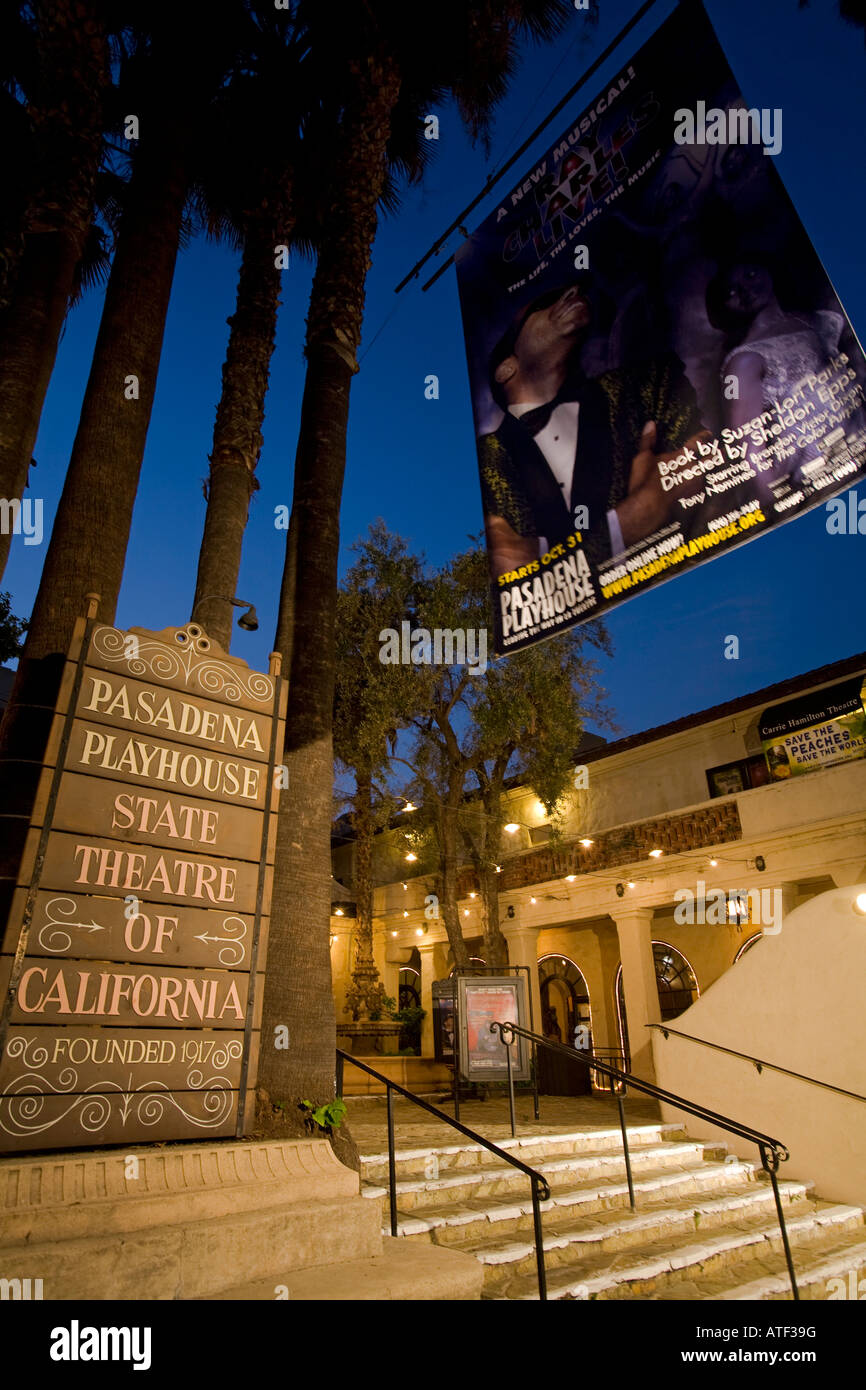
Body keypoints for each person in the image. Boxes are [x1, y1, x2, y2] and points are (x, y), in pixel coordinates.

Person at [479, 280, 707, 577]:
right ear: (506, 369)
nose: (573, 291)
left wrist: (542, 554)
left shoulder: (647, 383)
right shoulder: (487, 459)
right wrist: (626, 524)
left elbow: (703, 463)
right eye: (541, 305)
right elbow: (511, 570)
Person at [706, 259, 844, 499]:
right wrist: (779, 507)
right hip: (818, 474)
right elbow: (748, 448)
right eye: (731, 291)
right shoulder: (742, 362)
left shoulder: (816, 319)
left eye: (750, 274)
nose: (745, 290)